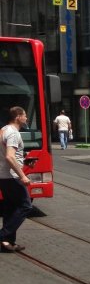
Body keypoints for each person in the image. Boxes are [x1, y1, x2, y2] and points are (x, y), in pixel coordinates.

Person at [0, 106, 33, 252]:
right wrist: (23, 175)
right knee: (25, 206)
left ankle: (8, 242)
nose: (26, 118)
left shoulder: (3, 130)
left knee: (10, 208)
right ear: (18, 116)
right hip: (12, 177)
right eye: (24, 115)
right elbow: (9, 156)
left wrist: (24, 161)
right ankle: (3, 236)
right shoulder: (13, 133)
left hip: (3, 175)